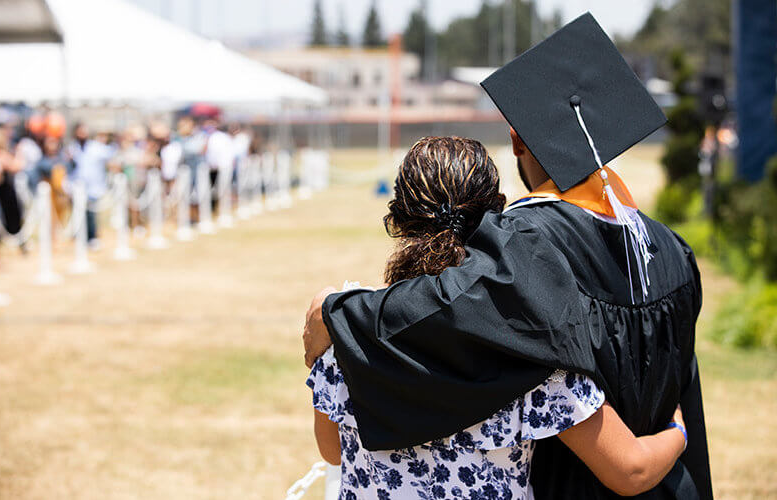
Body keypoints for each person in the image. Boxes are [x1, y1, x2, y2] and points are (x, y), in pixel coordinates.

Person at [302, 14, 711, 500]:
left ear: (518, 141)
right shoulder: (669, 248)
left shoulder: (527, 242)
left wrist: (337, 312)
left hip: (570, 484)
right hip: (655, 476)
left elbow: (443, 309)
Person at [308, 137, 689, 499]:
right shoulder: (532, 350)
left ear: (398, 219)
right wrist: (677, 429)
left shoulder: (347, 330)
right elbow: (630, 471)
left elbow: (333, 451)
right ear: (495, 218)